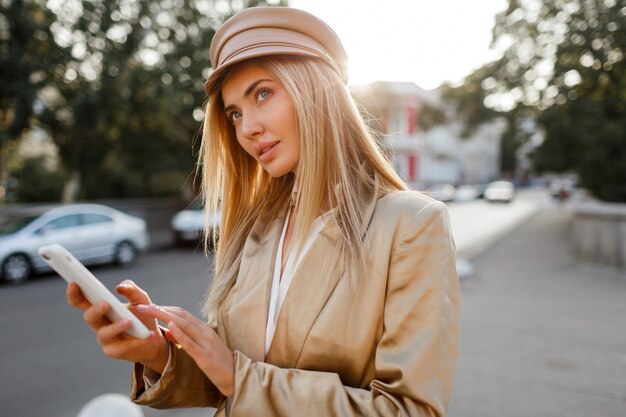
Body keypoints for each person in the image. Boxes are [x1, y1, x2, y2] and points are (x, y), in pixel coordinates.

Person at [67, 6, 460, 417]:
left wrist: (241, 378)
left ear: (315, 89)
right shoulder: (256, 230)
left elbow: (410, 409)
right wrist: (157, 353)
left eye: (262, 94)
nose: (246, 128)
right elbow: (225, 381)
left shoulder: (411, 226)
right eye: (234, 113)